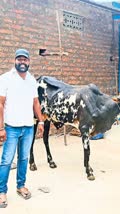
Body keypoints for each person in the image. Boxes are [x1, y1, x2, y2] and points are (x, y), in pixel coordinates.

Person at [0, 49, 44, 208]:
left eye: (25, 59)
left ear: (29, 62)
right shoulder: (5, 79)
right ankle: (1, 191)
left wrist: (40, 121)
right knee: (6, 160)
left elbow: (36, 103)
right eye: (19, 59)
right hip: (11, 128)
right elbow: (0, 104)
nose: (22, 62)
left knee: (24, 158)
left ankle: (20, 186)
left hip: (28, 127)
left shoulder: (32, 80)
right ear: (15, 61)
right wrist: (1, 128)